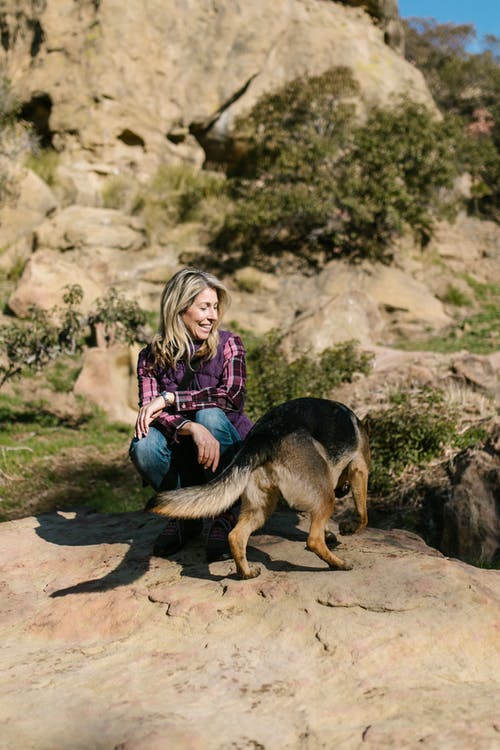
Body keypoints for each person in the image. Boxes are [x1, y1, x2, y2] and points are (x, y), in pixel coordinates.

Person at [129, 267, 253, 562]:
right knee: (142, 444)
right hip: (185, 452)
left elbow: (231, 397)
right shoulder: (150, 356)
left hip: (230, 455)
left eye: (215, 307)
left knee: (210, 416)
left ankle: (224, 514)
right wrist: (189, 427)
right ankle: (187, 515)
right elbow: (150, 413)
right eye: (204, 307)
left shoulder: (229, 344)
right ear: (179, 309)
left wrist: (171, 398)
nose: (212, 315)